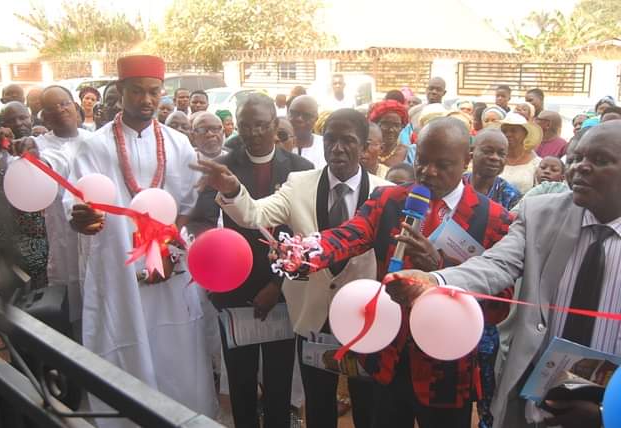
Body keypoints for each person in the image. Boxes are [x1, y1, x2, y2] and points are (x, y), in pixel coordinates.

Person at [269, 117, 513, 428]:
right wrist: (305, 251)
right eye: (422, 161)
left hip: (447, 372)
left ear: (466, 160)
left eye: (443, 164)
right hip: (386, 360)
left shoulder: (494, 220)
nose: (428, 172)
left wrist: (439, 269)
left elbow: (500, 304)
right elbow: (349, 235)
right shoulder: (390, 199)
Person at [385, 119, 621, 428]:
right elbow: (497, 263)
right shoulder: (539, 213)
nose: (580, 168)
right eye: (575, 158)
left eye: (600, 160)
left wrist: (607, 412)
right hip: (538, 401)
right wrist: (435, 281)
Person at [199, 108, 390, 428]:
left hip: (364, 320)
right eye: (330, 140)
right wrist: (232, 190)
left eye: (348, 141)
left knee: (366, 406)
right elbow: (255, 216)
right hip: (313, 315)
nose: (338, 148)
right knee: (318, 406)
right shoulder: (299, 183)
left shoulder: (386, 192)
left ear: (364, 145)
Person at [67, 55, 216, 425]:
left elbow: (186, 201)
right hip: (118, 266)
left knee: (178, 348)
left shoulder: (178, 142)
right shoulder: (95, 146)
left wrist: (163, 247)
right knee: (124, 339)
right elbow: (78, 204)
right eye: (137, 91)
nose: (147, 100)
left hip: (170, 265)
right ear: (120, 92)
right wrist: (83, 217)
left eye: (154, 92)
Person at [192, 93, 313, 428]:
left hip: (283, 294)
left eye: (261, 125)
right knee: (241, 383)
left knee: (278, 384)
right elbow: (203, 220)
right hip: (233, 292)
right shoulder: (224, 167)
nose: (253, 132)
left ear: (275, 126)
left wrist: (277, 285)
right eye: (245, 125)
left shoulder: (301, 170)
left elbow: (305, 235)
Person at [35, 85, 93, 331]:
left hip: (96, 235)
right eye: (51, 108)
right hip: (64, 238)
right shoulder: (37, 146)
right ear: (45, 117)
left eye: (64, 103)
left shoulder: (95, 140)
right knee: (73, 313)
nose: (60, 110)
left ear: (76, 107)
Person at [0, 102, 49, 289]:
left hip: (49, 234)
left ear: (31, 118)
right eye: (12, 120)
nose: (19, 123)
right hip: (19, 238)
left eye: (23, 117)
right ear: (4, 123)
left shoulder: (44, 141)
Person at [463, 129, 522, 210]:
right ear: (471, 151)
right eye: (488, 151)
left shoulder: (511, 196)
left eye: (501, 154)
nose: (495, 157)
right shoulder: (456, 185)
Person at [499, 112, 542, 194]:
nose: (508, 134)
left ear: (525, 134)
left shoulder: (536, 163)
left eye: (513, 131)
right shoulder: (495, 159)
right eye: (504, 131)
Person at [289, 95, 325, 168]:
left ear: (316, 119)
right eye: (294, 113)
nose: (299, 119)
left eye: (306, 115)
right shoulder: (277, 144)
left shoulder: (325, 146)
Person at [369, 99, 408, 168]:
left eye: (396, 125)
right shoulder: (367, 152)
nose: (391, 130)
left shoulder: (410, 153)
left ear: (402, 127)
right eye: (385, 124)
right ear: (375, 124)